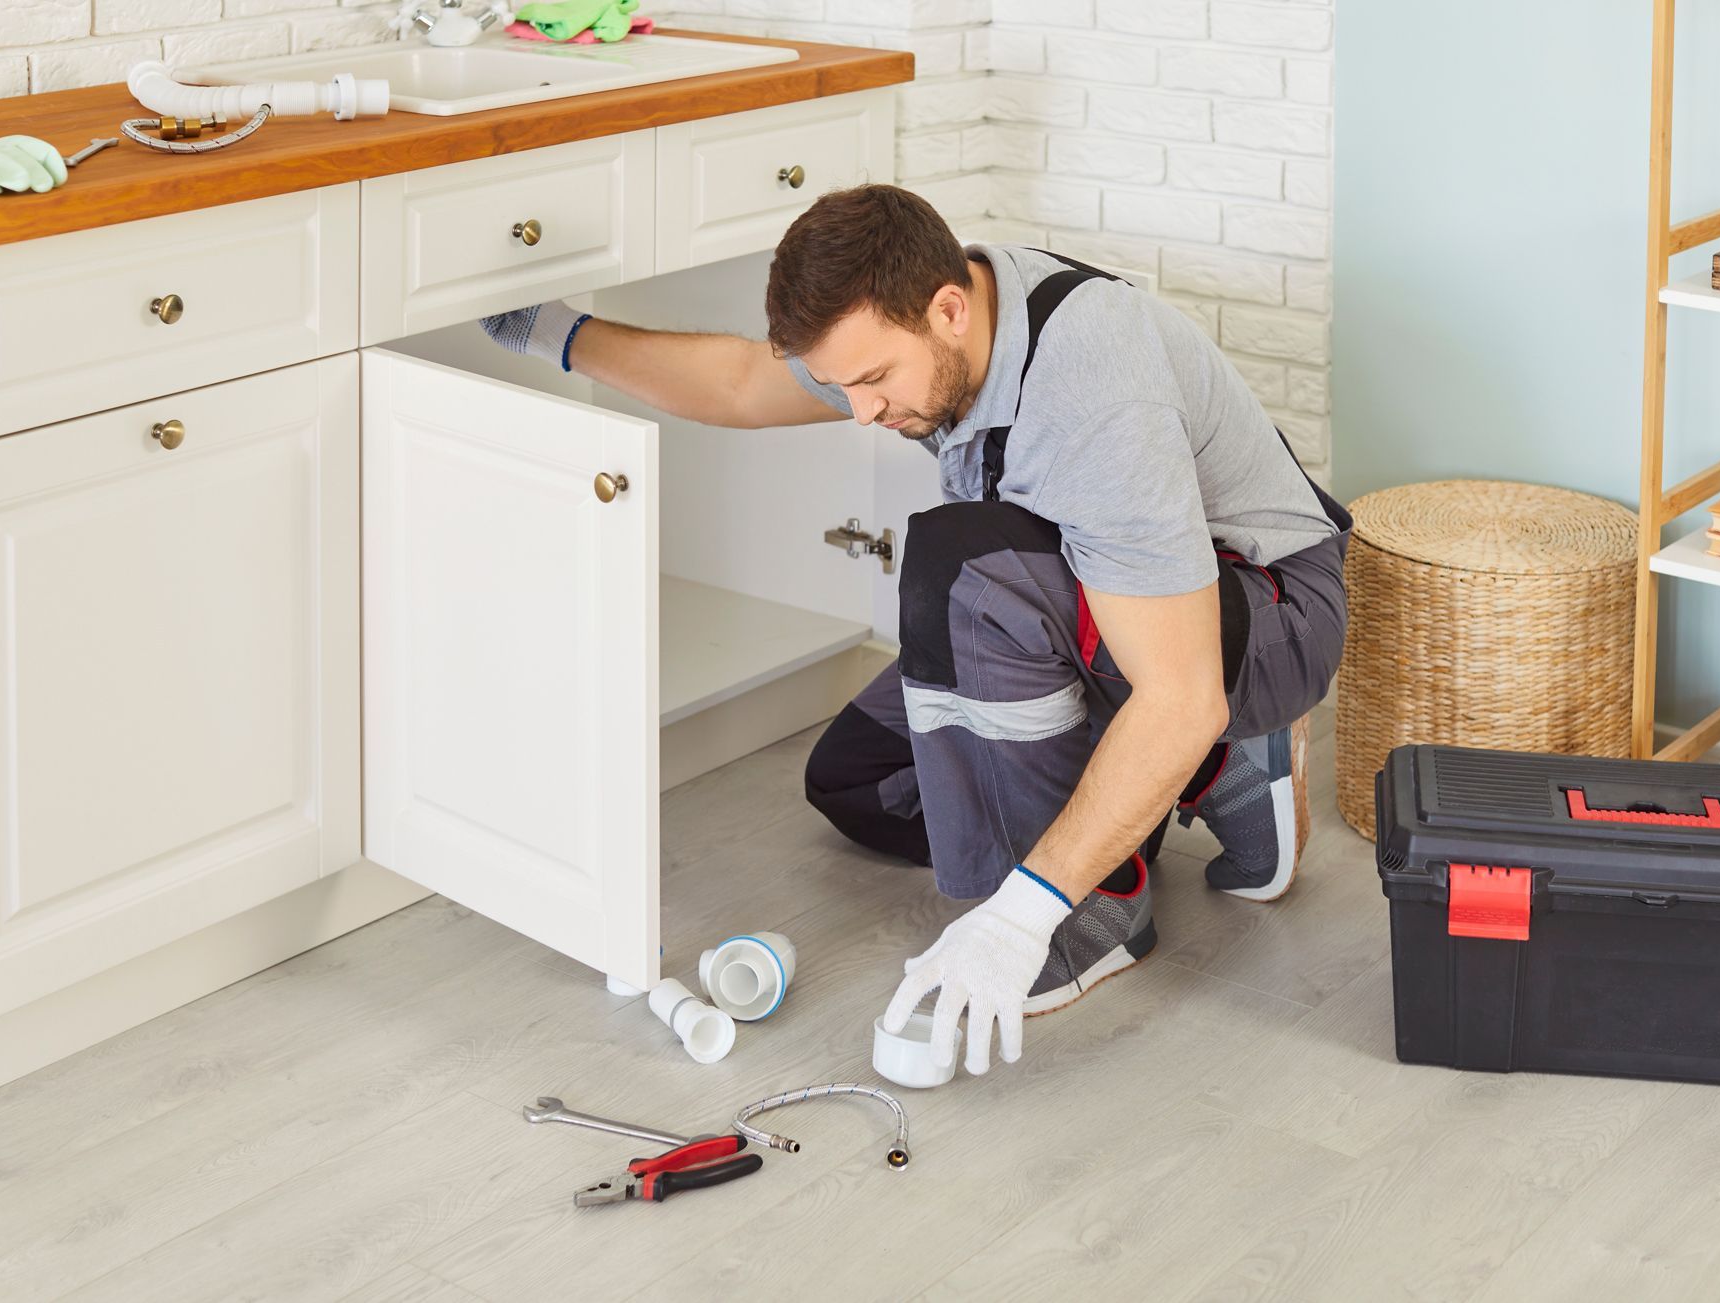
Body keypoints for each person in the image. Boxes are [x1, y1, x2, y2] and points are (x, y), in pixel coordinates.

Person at [480, 184, 1350, 1079]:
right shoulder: (928, 322)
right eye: (840, 384)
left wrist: (1018, 915)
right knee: (858, 782)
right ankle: (1210, 768)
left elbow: (1178, 692)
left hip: (1265, 612)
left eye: (872, 382)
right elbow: (741, 383)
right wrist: (547, 330)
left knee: (960, 566)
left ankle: (1105, 901)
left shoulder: (1092, 395)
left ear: (947, 309)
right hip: (1117, 612)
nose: (859, 412)